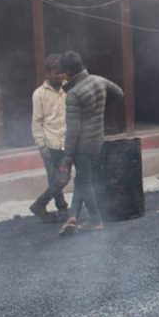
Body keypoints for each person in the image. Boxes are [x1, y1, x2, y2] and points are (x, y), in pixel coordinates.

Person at [57, 51, 124, 236]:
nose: (62, 75)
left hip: (82, 145)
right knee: (82, 180)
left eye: (63, 71)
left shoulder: (74, 93)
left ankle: (95, 219)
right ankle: (73, 216)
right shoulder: (99, 80)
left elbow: (73, 130)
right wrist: (100, 111)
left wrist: (67, 156)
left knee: (85, 182)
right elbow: (119, 93)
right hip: (97, 140)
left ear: (69, 71)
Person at [29, 54, 69, 221]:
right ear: (47, 74)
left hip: (67, 142)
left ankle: (39, 204)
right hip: (49, 144)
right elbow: (37, 122)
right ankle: (63, 209)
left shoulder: (70, 88)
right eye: (56, 73)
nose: (60, 76)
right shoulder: (39, 94)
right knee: (55, 179)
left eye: (62, 72)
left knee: (63, 178)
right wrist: (41, 145)